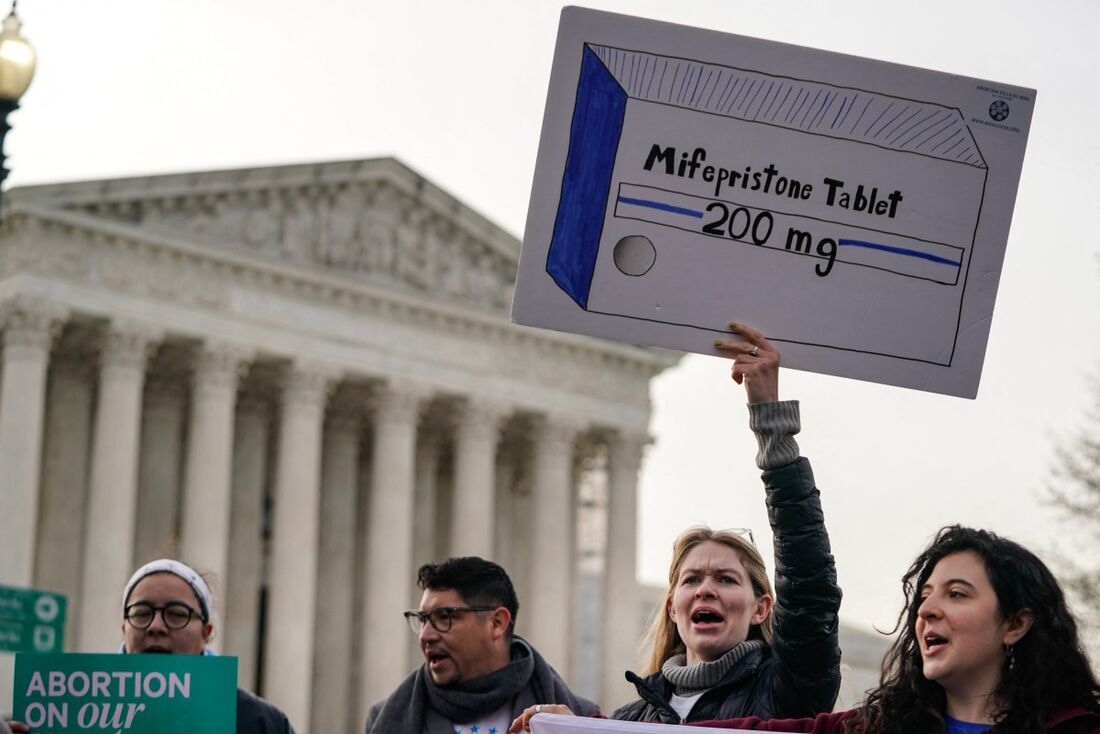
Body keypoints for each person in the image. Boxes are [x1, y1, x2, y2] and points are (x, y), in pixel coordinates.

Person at [512, 322, 841, 730]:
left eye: (725, 579)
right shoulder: (633, 717)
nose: (705, 589)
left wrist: (771, 425)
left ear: (762, 608)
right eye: (690, 581)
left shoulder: (783, 691)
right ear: (672, 607)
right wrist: (572, 726)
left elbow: (810, 586)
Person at [694, 525, 1100, 733]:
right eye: (924, 595)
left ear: (1015, 624)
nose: (927, 610)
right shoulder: (875, 727)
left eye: (957, 594)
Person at [9, 558, 294, 734]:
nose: (156, 626)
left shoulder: (259, 723)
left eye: (176, 614)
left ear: (206, 633)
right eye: (142, 613)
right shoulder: (61, 712)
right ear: (125, 629)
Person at [365, 556, 599, 734]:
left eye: (445, 617)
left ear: (497, 623)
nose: (426, 636)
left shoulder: (579, 720)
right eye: (424, 619)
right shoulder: (386, 718)